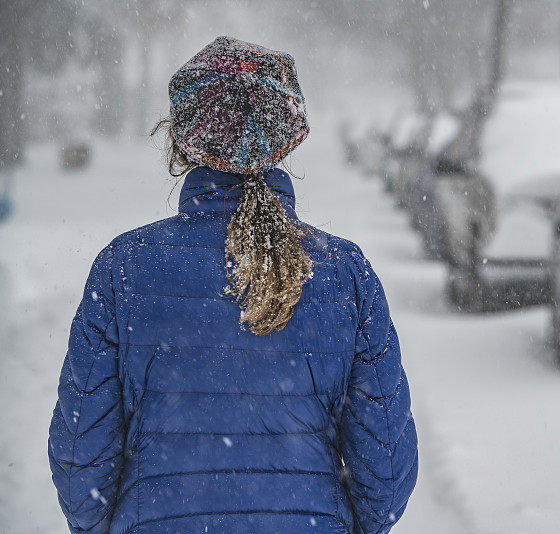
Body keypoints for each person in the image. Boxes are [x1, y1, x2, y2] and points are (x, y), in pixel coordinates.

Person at [48, 36, 417, 534]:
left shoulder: (123, 269)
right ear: (283, 141)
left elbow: (79, 460)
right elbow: (386, 474)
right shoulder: (344, 272)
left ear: (183, 143)